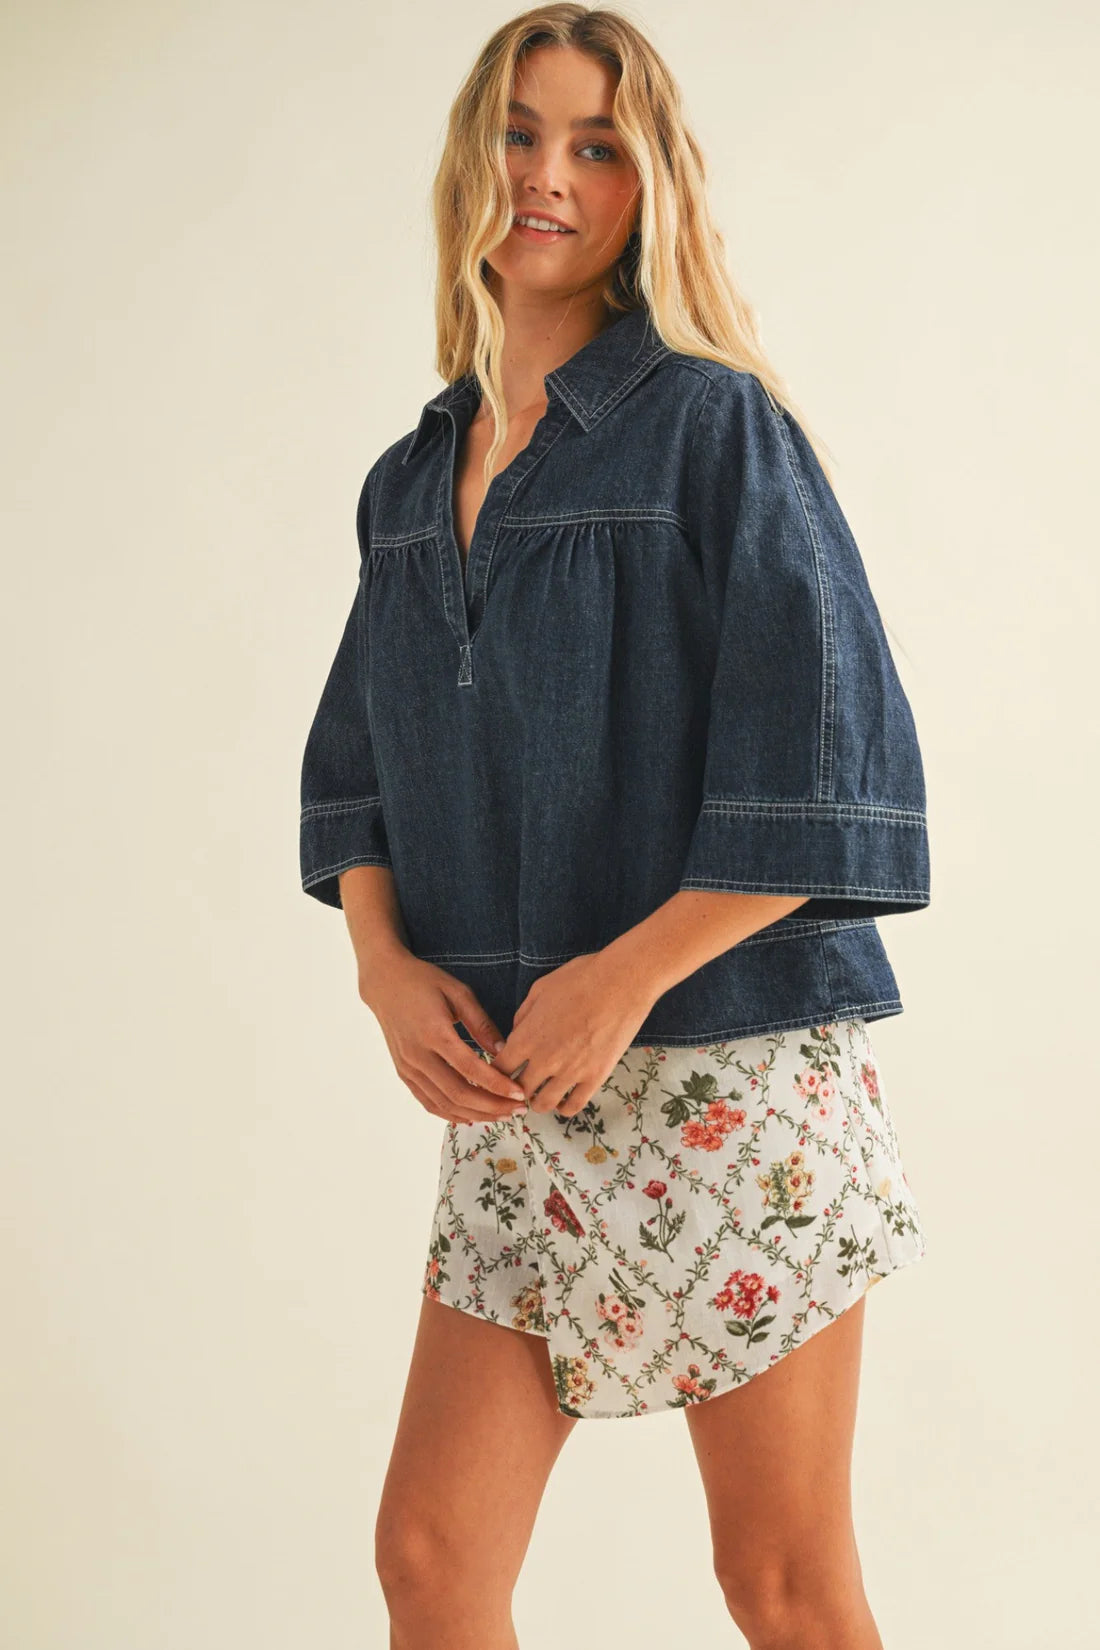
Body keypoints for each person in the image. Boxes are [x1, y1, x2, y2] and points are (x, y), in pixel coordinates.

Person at [298, 7, 931, 1647]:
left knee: (782, 1583)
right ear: (469, 153)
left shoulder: (715, 427)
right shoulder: (407, 477)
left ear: (647, 188)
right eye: (521, 133)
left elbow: (825, 759)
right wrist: (382, 964)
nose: (551, 177)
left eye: (595, 145)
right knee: (433, 1561)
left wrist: (626, 974)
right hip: (520, 1102)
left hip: (727, 1073)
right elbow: (356, 768)